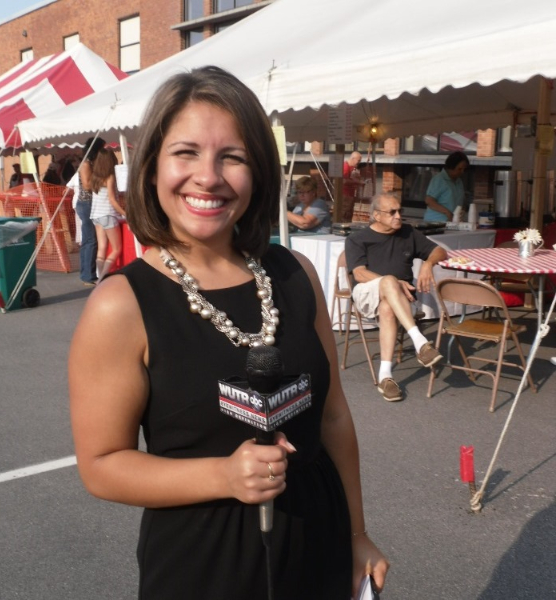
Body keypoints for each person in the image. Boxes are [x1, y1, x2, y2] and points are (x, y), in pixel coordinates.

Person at [69, 66, 388, 600]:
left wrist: (357, 534)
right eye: (186, 152)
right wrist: (223, 476)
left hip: (320, 542)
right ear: (152, 166)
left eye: (232, 157)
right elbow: (101, 466)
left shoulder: (295, 274)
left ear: (258, 170)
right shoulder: (120, 305)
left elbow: (332, 416)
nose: (208, 177)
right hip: (203, 561)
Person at [346, 193, 447, 402]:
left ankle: (385, 376)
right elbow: (359, 273)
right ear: (376, 215)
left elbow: (439, 250)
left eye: (400, 211)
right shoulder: (357, 239)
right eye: (392, 212)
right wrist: (392, 282)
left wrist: (428, 263)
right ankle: (420, 342)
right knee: (390, 281)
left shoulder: (408, 233)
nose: (398, 216)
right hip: (366, 293)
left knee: (388, 308)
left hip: (401, 300)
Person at [89, 146, 125, 284]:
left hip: (96, 215)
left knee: (102, 247)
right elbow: (112, 199)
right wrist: (125, 213)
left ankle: (100, 277)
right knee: (116, 249)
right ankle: (103, 277)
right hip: (108, 215)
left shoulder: (95, 177)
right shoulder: (110, 177)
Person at [75, 137, 106, 286]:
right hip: (87, 203)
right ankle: (88, 275)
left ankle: (86, 273)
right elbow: (87, 185)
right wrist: (103, 181)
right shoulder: (86, 163)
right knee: (91, 240)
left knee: (89, 239)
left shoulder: (92, 163)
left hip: (90, 203)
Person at [423, 151, 470, 222]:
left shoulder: (459, 181)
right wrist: (447, 212)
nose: (462, 172)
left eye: (464, 169)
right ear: (451, 167)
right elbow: (429, 201)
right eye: (459, 169)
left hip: (452, 222)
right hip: (435, 221)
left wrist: (462, 210)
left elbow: (460, 200)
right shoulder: (439, 179)